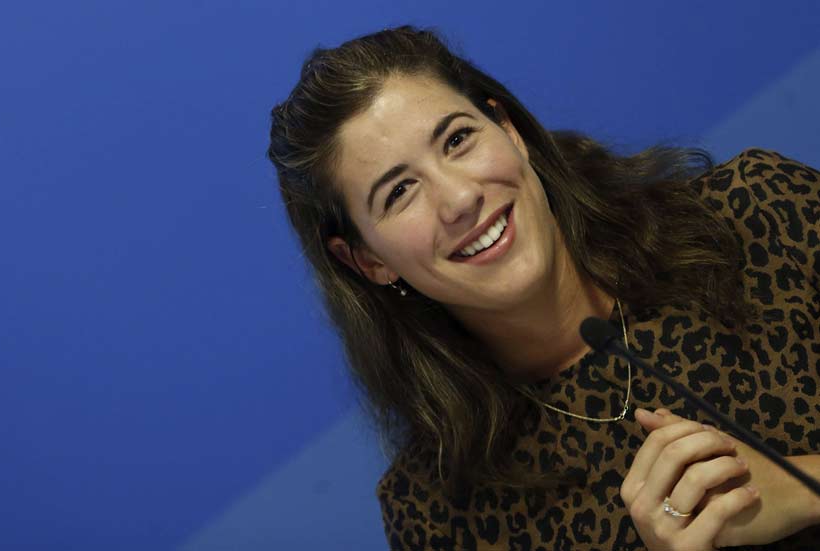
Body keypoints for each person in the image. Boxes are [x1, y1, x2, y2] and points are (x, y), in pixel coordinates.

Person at [267, 25, 820, 550]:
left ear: (508, 131)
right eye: (400, 192)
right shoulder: (435, 513)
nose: (459, 199)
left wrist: (801, 489)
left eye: (457, 140)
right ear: (367, 260)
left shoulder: (759, 215)